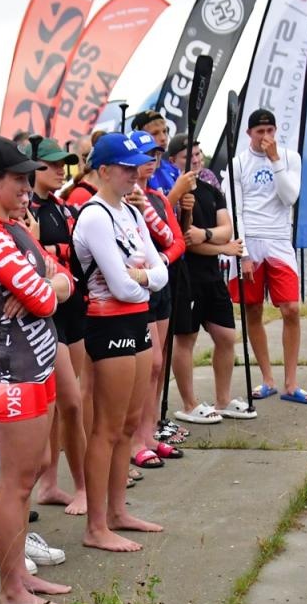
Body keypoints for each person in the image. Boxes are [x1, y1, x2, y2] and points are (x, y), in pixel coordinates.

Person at [0, 135, 73, 604]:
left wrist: (46, 288)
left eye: (31, 179)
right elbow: (48, 297)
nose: (29, 187)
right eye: (20, 179)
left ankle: (21, 572)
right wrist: (46, 290)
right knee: (17, 483)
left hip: (36, 362)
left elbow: (62, 279)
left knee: (34, 467)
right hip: (14, 371)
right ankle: (11, 590)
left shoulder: (13, 227)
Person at [73, 133, 169, 552]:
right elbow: (120, 285)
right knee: (107, 428)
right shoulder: (94, 215)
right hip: (107, 323)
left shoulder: (129, 211)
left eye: (137, 167)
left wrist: (142, 277)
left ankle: (117, 511)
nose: (134, 174)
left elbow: (161, 269)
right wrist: (143, 278)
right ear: (104, 170)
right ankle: (96, 526)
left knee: (129, 425)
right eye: (127, 167)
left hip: (136, 321)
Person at [166, 135, 253, 424]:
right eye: (186, 156)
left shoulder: (211, 189)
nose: (195, 159)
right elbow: (184, 241)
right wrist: (221, 246)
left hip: (212, 276)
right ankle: (189, 403)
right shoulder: (173, 195)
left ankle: (223, 399)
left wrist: (210, 237)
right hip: (186, 277)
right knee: (186, 339)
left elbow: (226, 229)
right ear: (174, 162)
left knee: (226, 336)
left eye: (197, 153)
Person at [26, 137, 92, 514]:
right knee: (69, 402)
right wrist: (54, 255)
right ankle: (82, 486)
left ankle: (50, 484)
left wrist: (54, 254)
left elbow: (75, 255)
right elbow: (35, 256)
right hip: (49, 312)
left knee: (66, 401)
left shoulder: (62, 207)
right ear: (32, 167)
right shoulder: (28, 210)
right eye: (51, 164)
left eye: (62, 165)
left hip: (73, 308)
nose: (59, 170)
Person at [230, 108, 307, 403]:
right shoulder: (238, 164)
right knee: (252, 309)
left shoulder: (290, 158)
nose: (265, 137)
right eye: (260, 131)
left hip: (279, 240)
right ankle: (267, 378)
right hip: (251, 240)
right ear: (249, 134)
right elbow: (235, 209)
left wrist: (275, 159)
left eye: (270, 131)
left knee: (290, 308)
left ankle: (291, 382)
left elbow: (290, 197)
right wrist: (244, 253)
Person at [128, 134, 186, 469]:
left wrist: (162, 261)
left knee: (158, 365)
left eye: (157, 154)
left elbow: (176, 241)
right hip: (138, 288)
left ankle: (148, 435)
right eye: (145, 154)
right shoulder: (124, 200)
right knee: (147, 364)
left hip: (160, 283)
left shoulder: (157, 198)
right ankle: (136, 438)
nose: (152, 160)